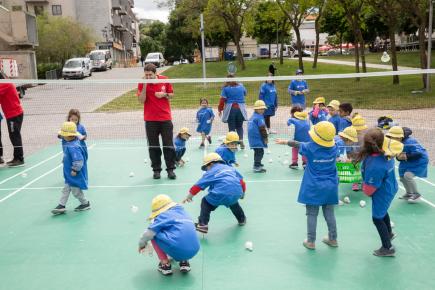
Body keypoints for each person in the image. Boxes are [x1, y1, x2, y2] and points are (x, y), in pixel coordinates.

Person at [276, 121, 339, 250]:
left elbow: (297, 144)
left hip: (314, 186)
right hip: (330, 185)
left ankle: (310, 241)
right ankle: (333, 239)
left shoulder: (310, 147)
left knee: (312, 214)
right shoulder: (334, 148)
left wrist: (284, 142)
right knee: (330, 213)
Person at [357, 128, 403, 257]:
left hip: (382, 192)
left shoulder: (375, 164)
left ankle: (387, 247)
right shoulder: (386, 153)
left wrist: (366, 190)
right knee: (382, 212)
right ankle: (389, 234)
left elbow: (372, 186)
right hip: (390, 187)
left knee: (377, 218)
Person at [183, 153, 247, 234]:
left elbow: (198, 186)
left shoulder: (210, 172)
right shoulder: (230, 168)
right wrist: (243, 194)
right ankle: (241, 219)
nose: (207, 170)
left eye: (206, 167)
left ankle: (203, 224)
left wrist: (189, 196)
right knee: (233, 202)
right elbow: (242, 182)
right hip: (237, 192)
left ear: (211, 164)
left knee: (205, 202)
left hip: (220, 193)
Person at [138, 194, 200, 276]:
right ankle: (184, 262)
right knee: (182, 232)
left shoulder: (162, 216)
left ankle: (165, 264)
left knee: (154, 233)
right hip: (194, 249)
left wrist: (142, 244)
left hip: (177, 248)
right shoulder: (183, 212)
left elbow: (148, 234)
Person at [137, 64, 176, 180]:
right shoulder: (142, 82)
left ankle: (170, 170)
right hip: (150, 120)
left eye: (150, 75)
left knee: (168, 145)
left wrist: (164, 94)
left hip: (165, 119)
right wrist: (145, 85)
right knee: (153, 146)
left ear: (156, 73)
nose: (148, 77)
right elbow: (141, 100)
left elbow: (172, 94)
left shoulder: (165, 80)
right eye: (146, 75)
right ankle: (156, 170)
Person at [51, 122, 90, 215]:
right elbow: (69, 156)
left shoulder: (73, 147)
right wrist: (65, 159)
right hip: (69, 174)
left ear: (68, 136)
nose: (62, 136)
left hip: (74, 174)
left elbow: (79, 160)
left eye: (64, 135)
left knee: (76, 192)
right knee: (66, 189)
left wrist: (75, 170)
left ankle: (85, 203)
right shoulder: (70, 142)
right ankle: (61, 205)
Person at [386, 126, 429, 202]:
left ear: (399, 137)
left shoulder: (410, 142)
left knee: (408, 176)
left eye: (393, 137)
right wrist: (398, 158)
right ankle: (409, 193)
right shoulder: (395, 143)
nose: (391, 138)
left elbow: (419, 153)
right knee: (402, 177)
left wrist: (406, 156)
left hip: (419, 160)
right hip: (407, 160)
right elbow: (397, 155)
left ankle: (416, 194)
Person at [0, 72, 24, 167]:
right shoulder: (5, 84)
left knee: (15, 136)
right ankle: (16, 157)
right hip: (12, 114)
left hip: (14, 114)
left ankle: (19, 158)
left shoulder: (5, 84)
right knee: (13, 135)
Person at [218, 74, 248, 149]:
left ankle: (233, 144)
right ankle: (240, 140)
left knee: (231, 128)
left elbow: (222, 100)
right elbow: (245, 93)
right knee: (239, 126)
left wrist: (220, 109)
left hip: (231, 110)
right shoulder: (241, 86)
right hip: (241, 109)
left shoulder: (225, 89)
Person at [248, 100, 268, 173]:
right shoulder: (259, 117)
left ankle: (258, 163)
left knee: (257, 151)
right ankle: (256, 166)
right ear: (256, 109)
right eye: (260, 109)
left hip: (252, 139)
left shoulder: (253, 116)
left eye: (263, 109)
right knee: (259, 152)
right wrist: (265, 138)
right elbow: (262, 129)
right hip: (257, 138)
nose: (262, 110)